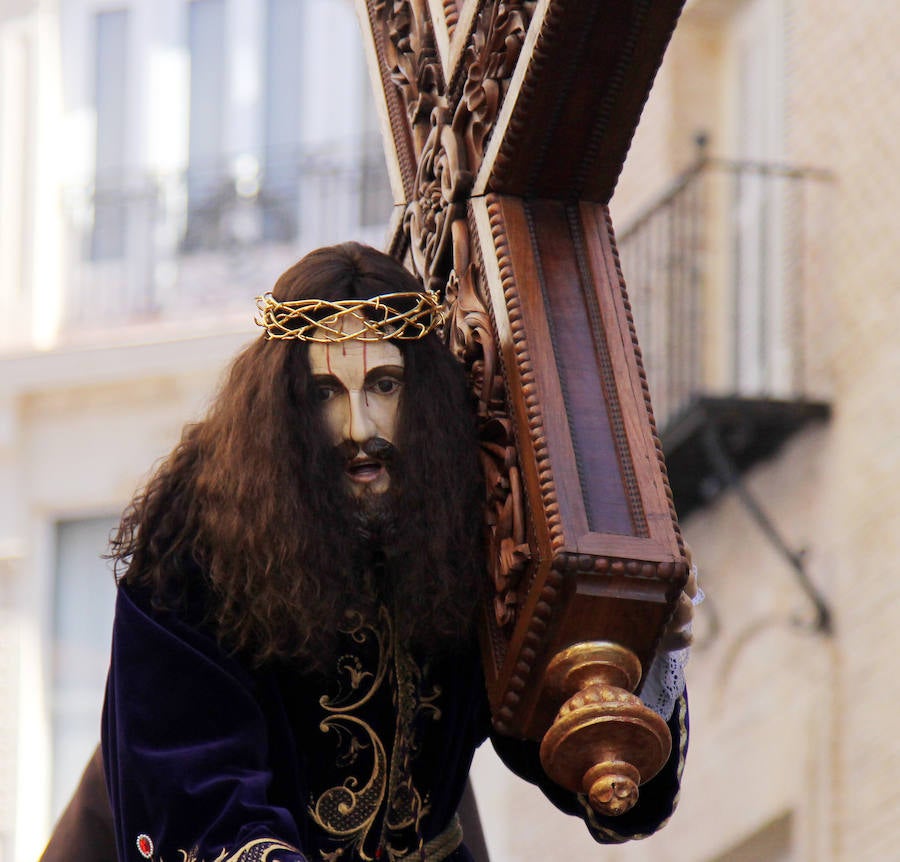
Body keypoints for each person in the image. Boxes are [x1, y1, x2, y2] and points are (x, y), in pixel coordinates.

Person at [93, 242, 688, 862]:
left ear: (423, 396)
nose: (360, 427)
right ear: (282, 408)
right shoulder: (191, 556)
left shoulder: (473, 527)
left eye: (383, 384)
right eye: (325, 393)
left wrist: (641, 661)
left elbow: (602, 779)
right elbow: (193, 789)